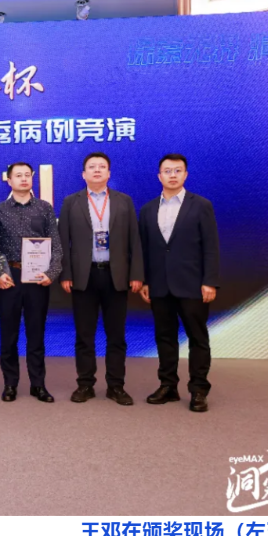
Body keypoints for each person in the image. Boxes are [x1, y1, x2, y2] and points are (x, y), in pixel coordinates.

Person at [59, 152, 143, 406]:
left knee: (116, 335)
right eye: (92, 167)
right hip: (83, 277)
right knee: (84, 335)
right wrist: (66, 273)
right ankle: (85, 384)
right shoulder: (71, 202)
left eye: (102, 167)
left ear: (109, 173)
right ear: (83, 174)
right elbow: (63, 242)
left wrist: (136, 274)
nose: (97, 170)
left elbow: (134, 240)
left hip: (116, 275)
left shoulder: (124, 201)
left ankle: (116, 386)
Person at [139, 154, 220, 412]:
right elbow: (144, 249)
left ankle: (198, 390)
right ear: (159, 176)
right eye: (167, 171)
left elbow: (211, 247)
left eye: (177, 170)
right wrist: (145, 281)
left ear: (186, 175)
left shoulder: (201, 205)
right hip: (159, 285)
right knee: (165, 337)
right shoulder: (148, 209)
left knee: (198, 338)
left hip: (193, 285)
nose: (172, 175)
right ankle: (168, 386)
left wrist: (210, 281)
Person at [0, 162, 63, 403]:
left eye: (27, 175)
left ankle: (38, 385)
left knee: (36, 334)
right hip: (10, 278)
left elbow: (56, 245)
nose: (23, 179)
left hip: (38, 279)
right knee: (8, 335)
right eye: (18, 175)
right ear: (9, 180)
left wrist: (52, 272)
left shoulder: (44, 208)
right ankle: (10, 384)